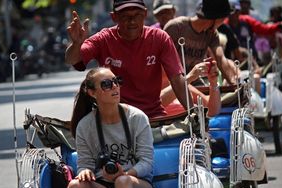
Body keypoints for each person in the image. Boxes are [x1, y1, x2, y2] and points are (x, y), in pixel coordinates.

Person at [65, 0, 193, 119]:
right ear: (114, 17)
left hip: (152, 116)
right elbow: (73, 60)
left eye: (137, 15)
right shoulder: (103, 39)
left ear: (145, 14)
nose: (132, 21)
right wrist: (76, 44)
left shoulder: (160, 38)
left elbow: (177, 79)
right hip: (115, 118)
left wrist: (193, 113)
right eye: (125, 16)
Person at [68, 67, 154, 188]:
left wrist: (125, 174)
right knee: (75, 186)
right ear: (92, 93)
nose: (115, 86)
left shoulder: (137, 118)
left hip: (134, 180)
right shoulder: (84, 125)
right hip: (101, 183)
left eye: (116, 81)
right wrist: (85, 171)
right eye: (106, 84)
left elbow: (147, 162)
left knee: (122, 182)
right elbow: (84, 164)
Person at [163, 0, 239, 85]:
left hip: (196, 83)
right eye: (223, 19)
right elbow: (161, 63)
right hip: (173, 84)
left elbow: (220, 59)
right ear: (216, 19)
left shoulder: (212, 34)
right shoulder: (176, 27)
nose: (223, 22)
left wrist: (234, 84)